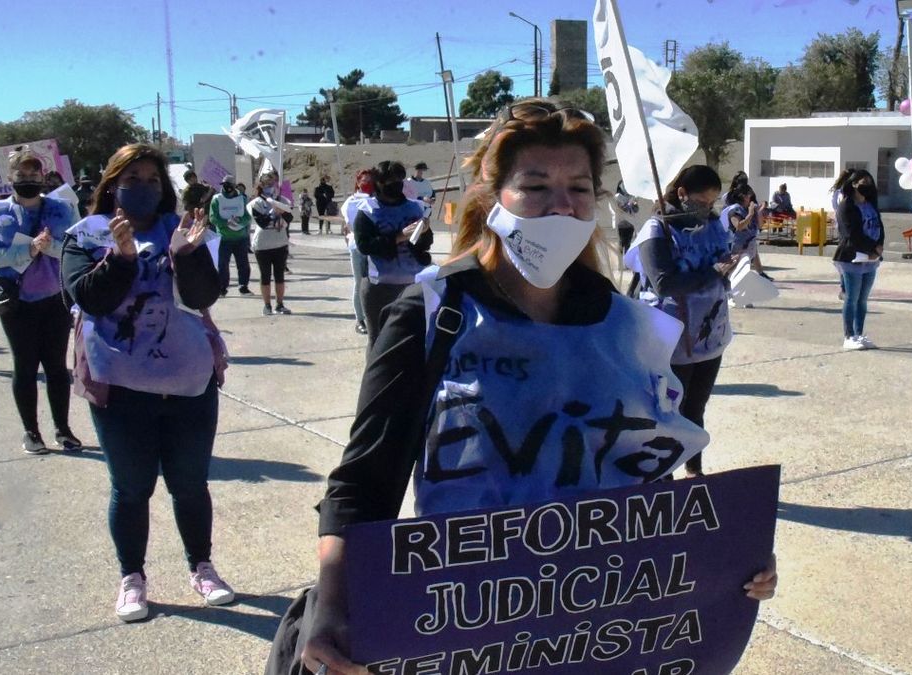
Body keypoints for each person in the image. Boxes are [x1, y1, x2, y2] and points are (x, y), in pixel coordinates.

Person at [294, 98, 777, 675]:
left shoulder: (628, 325)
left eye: (578, 187)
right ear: (492, 195)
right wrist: (332, 602)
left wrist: (726, 557)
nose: (561, 205)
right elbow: (362, 483)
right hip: (463, 624)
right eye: (536, 185)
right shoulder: (430, 315)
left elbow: (652, 487)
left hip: (599, 625)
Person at [62, 143, 234, 622]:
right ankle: (132, 578)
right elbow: (88, 300)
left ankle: (202, 568)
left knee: (190, 484)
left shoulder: (185, 231)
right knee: (133, 488)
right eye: (131, 178)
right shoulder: (85, 236)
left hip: (189, 385)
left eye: (153, 179)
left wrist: (187, 254)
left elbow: (203, 296)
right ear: (112, 184)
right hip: (121, 390)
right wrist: (118, 258)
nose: (143, 187)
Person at [625, 165, 739, 478]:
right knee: (668, 412)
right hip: (671, 338)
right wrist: (712, 272)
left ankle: (694, 471)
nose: (707, 209)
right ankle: (666, 474)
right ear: (682, 194)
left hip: (709, 336)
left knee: (695, 410)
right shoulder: (657, 230)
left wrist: (732, 273)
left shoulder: (712, 223)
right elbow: (663, 283)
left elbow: (719, 261)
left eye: (713, 202)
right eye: (701, 202)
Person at [0, 147, 83, 455]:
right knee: (24, 366)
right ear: (10, 177)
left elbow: (76, 247)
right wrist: (27, 251)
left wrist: (48, 248)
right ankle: (31, 432)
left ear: (43, 176)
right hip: (17, 301)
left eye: (33, 174)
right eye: (21, 174)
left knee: (56, 367)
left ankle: (63, 430)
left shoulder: (61, 209)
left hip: (55, 299)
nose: (27, 179)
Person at [353, 161, 430, 346]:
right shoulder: (367, 210)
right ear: (378, 183)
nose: (395, 185)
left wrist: (424, 231)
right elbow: (365, 245)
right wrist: (398, 237)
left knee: (412, 339)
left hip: (413, 284)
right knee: (378, 340)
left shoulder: (415, 207)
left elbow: (425, 244)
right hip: (379, 286)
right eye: (390, 181)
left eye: (399, 180)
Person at [833, 169, 884, 351]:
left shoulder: (870, 204)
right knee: (851, 298)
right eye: (863, 182)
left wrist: (879, 247)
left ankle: (859, 334)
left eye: (869, 182)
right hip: (852, 257)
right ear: (853, 184)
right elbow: (851, 234)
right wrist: (871, 248)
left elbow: (879, 226)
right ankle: (849, 336)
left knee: (863, 299)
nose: (867, 185)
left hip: (871, 260)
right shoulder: (846, 206)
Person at [248, 171, 293, 315]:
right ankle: (267, 305)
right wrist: (273, 212)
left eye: (272, 184)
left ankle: (280, 304)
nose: (270, 187)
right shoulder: (256, 203)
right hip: (263, 245)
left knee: (279, 275)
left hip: (280, 244)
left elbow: (289, 218)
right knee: (265, 276)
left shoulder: (283, 201)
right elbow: (261, 222)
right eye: (267, 184)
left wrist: (281, 210)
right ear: (261, 185)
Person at [340, 169, 376, 335]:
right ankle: (359, 319)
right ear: (358, 182)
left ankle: (372, 316)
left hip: (374, 246)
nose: (368, 183)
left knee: (374, 282)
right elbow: (352, 225)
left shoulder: (376, 199)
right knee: (359, 282)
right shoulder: (351, 202)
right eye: (365, 180)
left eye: (371, 180)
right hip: (358, 246)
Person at [209, 175, 253, 297]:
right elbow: (213, 218)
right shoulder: (216, 199)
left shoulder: (242, 199)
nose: (228, 188)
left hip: (240, 237)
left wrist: (240, 221)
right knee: (223, 264)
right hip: (224, 238)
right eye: (225, 185)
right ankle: (222, 287)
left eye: (230, 185)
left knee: (243, 263)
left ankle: (243, 286)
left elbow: (248, 216)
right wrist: (225, 223)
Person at [724, 183, 773, 283]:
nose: (751, 197)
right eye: (749, 195)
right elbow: (739, 226)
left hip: (750, 242)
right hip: (738, 245)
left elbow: (759, 226)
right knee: (733, 267)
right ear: (744, 196)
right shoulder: (735, 210)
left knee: (749, 260)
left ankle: (760, 273)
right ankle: (724, 283)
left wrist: (759, 212)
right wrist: (750, 214)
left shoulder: (750, 209)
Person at [830, 169, 855, 301]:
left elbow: (834, 207)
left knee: (848, 259)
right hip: (844, 228)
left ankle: (846, 288)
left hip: (842, 227)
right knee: (846, 258)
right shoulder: (843, 193)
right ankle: (845, 288)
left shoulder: (837, 192)